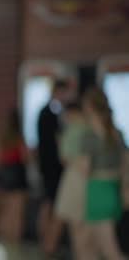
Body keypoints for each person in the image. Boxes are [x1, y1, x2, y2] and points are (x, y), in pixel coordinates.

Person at [78, 87, 128, 260]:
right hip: (112, 188)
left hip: (97, 190)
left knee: (109, 249)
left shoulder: (89, 135)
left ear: (89, 106)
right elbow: (125, 163)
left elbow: (85, 169)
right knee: (86, 242)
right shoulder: (117, 133)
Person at [37, 79, 69, 255]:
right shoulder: (50, 114)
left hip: (47, 166)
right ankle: (47, 242)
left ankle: (46, 240)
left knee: (48, 203)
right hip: (52, 168)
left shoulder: (45, 112)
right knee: (50, 204)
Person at [54, 101, 88, 260]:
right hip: (90, 179)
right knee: (84, 221)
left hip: (74, 177)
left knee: (73, 221)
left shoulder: (73, 129)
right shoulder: (90, 127)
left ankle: (79, 254)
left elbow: (64, 157)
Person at [0, 108, 28, 243]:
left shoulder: (1, 137)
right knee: (17, 212)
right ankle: (14, 241)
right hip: (17, 174)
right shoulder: (19, 138)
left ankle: (3, 239)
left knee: (5, 211)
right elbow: (25, 157)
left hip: (4, 175)